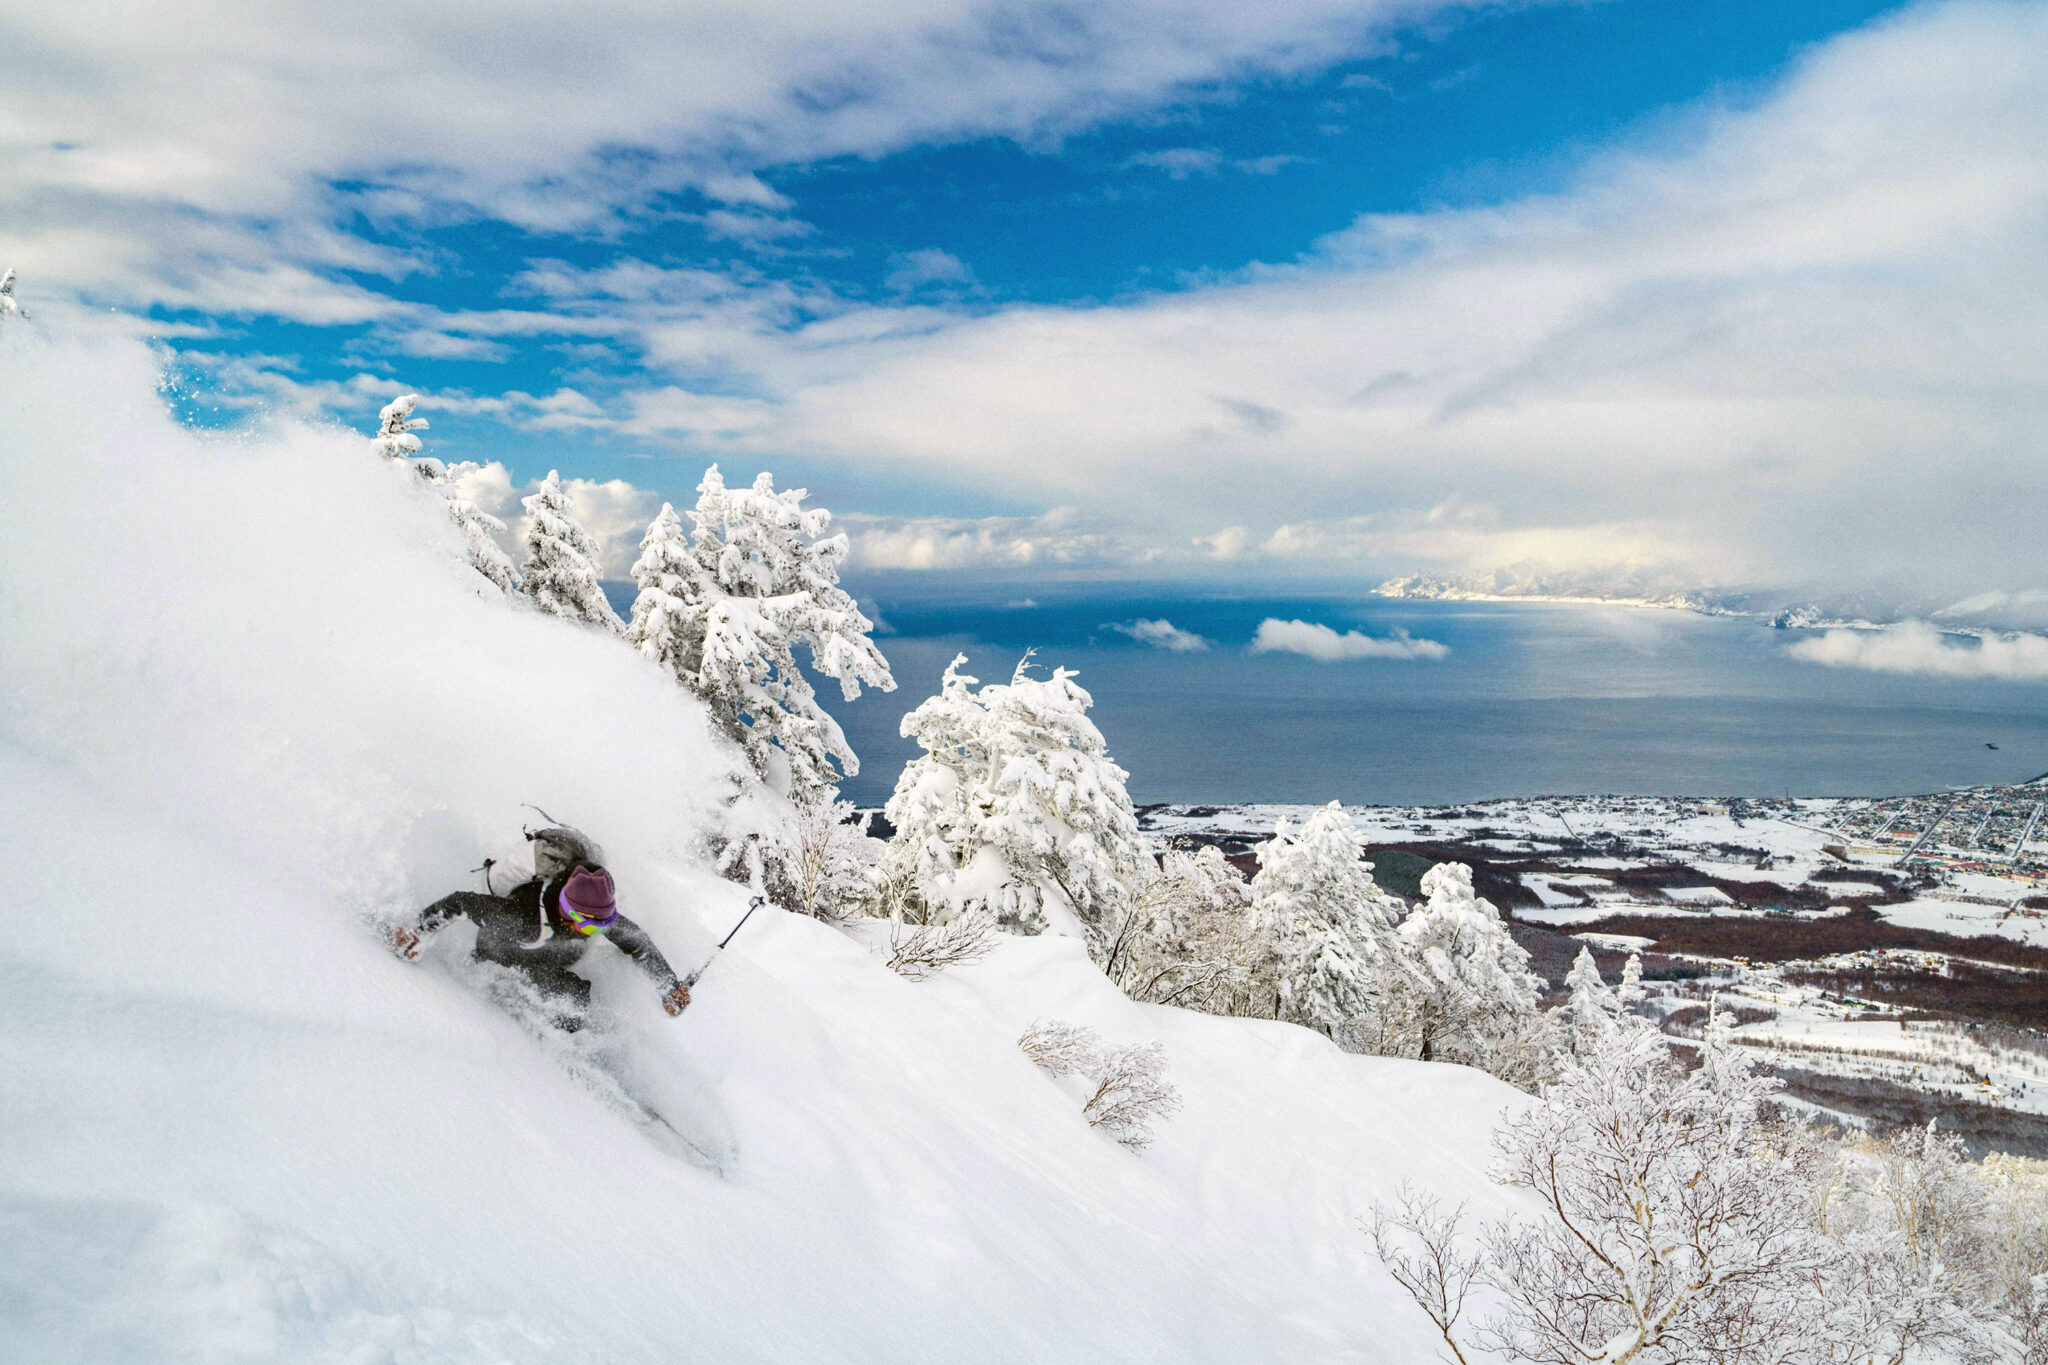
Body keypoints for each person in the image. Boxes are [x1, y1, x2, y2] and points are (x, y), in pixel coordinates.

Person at [389, 825, 691, 1023]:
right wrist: (417, 932)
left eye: (599, 926)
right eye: (585, 926)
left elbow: (636, 940)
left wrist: (669, 985)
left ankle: (562, 1042)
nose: (591, 931)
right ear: (566, 911)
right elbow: (459, 902)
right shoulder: (521, 916)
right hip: (505, 952)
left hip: (546, 956)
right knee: (513, 968)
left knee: (573, 1004)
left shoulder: (591, 916)